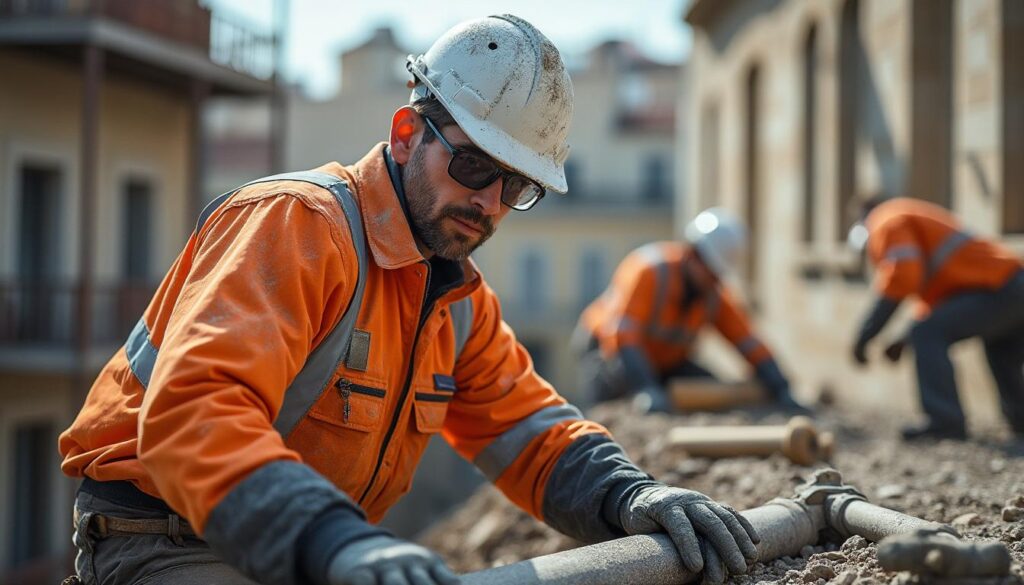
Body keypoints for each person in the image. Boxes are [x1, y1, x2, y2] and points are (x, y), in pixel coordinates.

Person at [58, 15, 759, 585]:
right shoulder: (299, 226)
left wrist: (632, 495)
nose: (487, 199)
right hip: (162, 540)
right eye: (473, 163)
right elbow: (196, 412)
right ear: (405, 134)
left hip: (297, 548)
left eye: (513, 185)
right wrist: (332, 541)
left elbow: (531, 432)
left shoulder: (454, 297)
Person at [575, 207, 806, 414]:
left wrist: (781, 387)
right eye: (710, 272)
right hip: (610, 351)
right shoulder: (647, 271)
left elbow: (747, 341)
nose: (713, 281)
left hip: (663, 361)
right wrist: (647, 388)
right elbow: (624, 337)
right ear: (692, 255)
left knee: (711, 388)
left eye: (718, 276)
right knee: (613, 380)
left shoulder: (712, 294)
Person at [848, 196, 1024, 441]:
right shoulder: (904, 215)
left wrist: (866, 334)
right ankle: (1020, 421)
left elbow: (904, 275)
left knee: (928, 333)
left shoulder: (885, 220)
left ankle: (945, 422)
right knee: (1001, 350)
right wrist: (904, 337)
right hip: (1012, 286)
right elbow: (940, 301)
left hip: (997, 289)